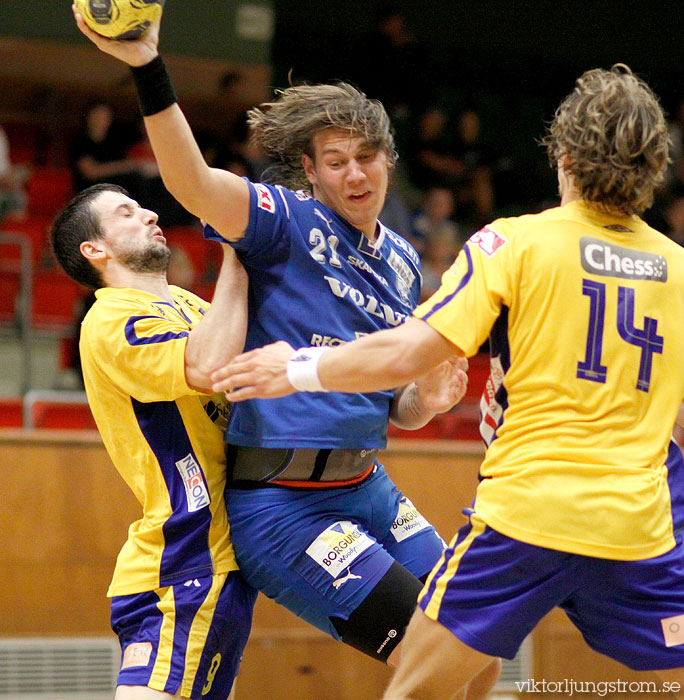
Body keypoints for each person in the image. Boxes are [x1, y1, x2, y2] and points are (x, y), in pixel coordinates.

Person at [214, 65, 684, 699]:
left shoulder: (515, 244)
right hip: (635, 524)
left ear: (564, 156)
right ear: (656, 163)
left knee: (421, 687)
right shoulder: (677, 269)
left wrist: (294, 367)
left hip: (528, 521)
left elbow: (408, 351)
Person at [72, 10, 502, 697]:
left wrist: (428, 399)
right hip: (286, 507)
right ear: (310, 169)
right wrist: (148, 68)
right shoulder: (282, 220)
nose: (354, 175)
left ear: (388, 160)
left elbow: (399, 406)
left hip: (368, 488)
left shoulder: (400, 259)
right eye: (335, 162)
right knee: (434, 653)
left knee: (480, 650)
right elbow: (190, 181)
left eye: (366, 158)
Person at [50, 182, 257, 700]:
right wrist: (238, 246)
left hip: (216, 555)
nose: (148, 213)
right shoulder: (111, 319)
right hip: (183, 559)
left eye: (142, 205)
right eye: (126, 212)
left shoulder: (186, 302)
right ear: (94, 249)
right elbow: (208, 366)